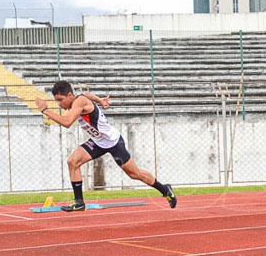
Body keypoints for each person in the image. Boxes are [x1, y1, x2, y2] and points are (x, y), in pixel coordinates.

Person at [35, 81, 177, 212]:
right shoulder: (80, 99)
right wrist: (100, 100)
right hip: (98, 142)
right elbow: (88, 94)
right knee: (73, 161)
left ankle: (165, 189)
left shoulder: (79, 102)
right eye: (56, 101)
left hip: (113, 142)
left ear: (70, 95)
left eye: (60, 100)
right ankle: (79, 202)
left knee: (134, 174)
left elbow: (67, 122)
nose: (59, 104)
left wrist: (45, 111)